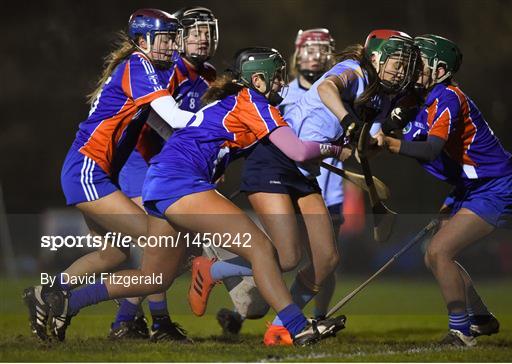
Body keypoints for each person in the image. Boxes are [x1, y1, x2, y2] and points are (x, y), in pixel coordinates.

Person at [41, 47, 349, 347]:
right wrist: (337, 149)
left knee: (155, 278)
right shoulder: (253, 103)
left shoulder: (237, 101)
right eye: (277, 76)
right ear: (257, 80)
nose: (282, 82)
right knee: (260, 249)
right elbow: (297, 150)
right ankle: (296, 327)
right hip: (181, 182)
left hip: (162, 182)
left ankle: (68, 301)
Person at [193, 34, 419, 346]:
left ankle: (280, 328)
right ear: (377, 58)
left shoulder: (381, 97)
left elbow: (368, 144)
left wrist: (377, 141)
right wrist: (347, 122)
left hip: (306, 169)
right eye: (398, 62)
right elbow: (328, 89)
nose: (401, 70)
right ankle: (212, 270)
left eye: (405, 65)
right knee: (286, 258)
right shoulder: (354, 71)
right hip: (276, 160)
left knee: (327, 260)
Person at [23, 8, 195, 342]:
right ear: (142, 41)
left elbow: (158, 123)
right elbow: (172, 117)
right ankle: (75, 304)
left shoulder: (142, 67)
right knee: (159, 242)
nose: (172, 45)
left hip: (92, 171)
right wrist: (221, 125)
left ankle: (47, 295)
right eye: (165, 39)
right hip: (89, 171)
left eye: (173, 38)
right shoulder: (139, 65)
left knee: (113, 254)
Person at [381, 34, 512, 347]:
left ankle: (461, 331)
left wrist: (390, 144)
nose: (412, 69)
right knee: (437, 256)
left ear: (440, 69)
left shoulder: (448, 97)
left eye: (420, 64)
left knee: (438, 251)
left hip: (494, 187)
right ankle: (481, 319)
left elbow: (431, 150)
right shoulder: (421, 99)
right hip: (469, 186)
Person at [215, 28, 342, 337]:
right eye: (309, 49)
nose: (315, 55)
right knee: (285, 257)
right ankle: (259, 315)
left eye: (321, 49)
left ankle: (310, 317)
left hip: (321, 184)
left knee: (325, 260)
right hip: (282, 176)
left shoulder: (339, 89)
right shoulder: (273, 95)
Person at [110, 6, 219, 342]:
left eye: (207, 31)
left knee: (173, 247)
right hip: (141, 160)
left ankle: (136, 320)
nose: (202, 38)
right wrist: (187, 145)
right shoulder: (164, 69)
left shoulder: (210, 75)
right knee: (162, 243)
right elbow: (153, 117)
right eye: (194, 32)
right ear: (178, 38)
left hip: (172, 167)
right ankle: (142, 321)